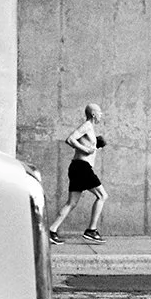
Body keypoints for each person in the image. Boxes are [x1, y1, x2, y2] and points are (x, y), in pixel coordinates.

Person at [46, 104, 107, 244]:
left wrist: (95, 145)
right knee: (102, 195)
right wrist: (85, 149)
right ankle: (91, 230)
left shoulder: (90, 129)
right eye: (100, 112)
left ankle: (52, 231)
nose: (101, 115)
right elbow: (70, 139)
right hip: (82, 168)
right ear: (93, 114)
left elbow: (86, 145)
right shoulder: (86, 126)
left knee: (71, 203)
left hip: (77, 167)